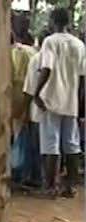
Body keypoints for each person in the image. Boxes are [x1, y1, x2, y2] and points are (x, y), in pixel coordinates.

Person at [33, 8, 85, 198]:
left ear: (53, 21)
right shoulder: (79, 44)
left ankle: (50, 187)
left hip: (50, 99)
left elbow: (47, 68)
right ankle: (70, 187)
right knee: (71, 144)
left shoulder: (50, 41)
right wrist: (80, 102)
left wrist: (36, 92)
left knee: (50, 145)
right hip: (70, 100)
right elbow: (83, 77)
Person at [19, 30, 51, 189]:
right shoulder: (61, 59)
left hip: (38, 110)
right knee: (53, 147)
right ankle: (52, 180)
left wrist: (24, 112)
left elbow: (29, 89)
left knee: (37, 146)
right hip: (59, 109)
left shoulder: (36, 60)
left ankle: (38, 177)